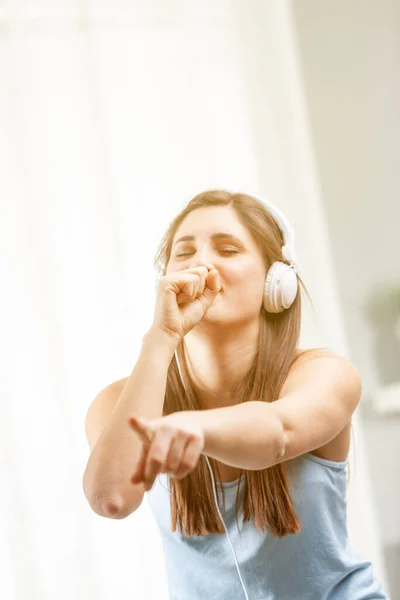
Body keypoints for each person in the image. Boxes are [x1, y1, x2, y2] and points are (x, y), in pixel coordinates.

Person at [83, 190, 390, 599]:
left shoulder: (323, 374)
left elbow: (278, 433)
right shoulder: (118, 403)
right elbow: (111, 498)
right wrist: (160, 340)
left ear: (275, 280)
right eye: (184, 252)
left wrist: (195, 427)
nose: (201, 264)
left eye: (227, 249)